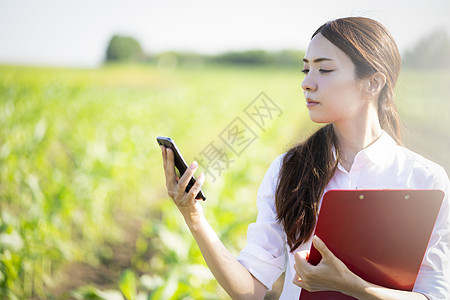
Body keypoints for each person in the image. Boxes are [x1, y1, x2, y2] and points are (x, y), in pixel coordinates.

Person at [160, 17, 450, 300]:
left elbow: (433, 294)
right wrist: (194, 217)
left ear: (372, 83)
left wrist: (354, 287)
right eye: (305, 70)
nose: (307, 83)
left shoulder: (425, 180)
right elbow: (249, 290)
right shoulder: (288, 170)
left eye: (324, 70)